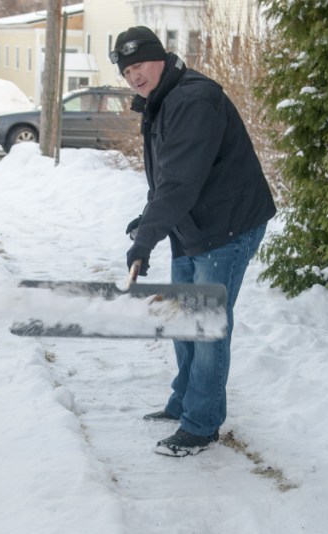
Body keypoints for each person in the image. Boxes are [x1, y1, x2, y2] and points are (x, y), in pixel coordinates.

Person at [112, 26, 276, 457]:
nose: (134, 76)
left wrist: (147, 238)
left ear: (161, 57)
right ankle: (184, 400)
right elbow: (166, 177)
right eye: (126, 70)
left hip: (226, 226)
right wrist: (150, 218)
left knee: (205, 327)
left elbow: (181, 182)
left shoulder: (192, 100)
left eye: (139, 65)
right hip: (192, 224)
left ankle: (201, 426)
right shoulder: (161, 99)